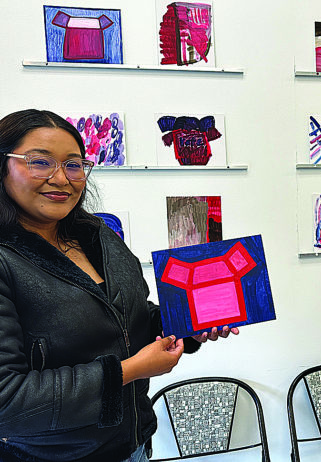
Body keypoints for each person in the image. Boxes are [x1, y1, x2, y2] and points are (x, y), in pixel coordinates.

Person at [0, 109, 238, 462]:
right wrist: (131, 370)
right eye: (40, 162)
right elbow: (7, 401)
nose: (61, 178)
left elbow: (130, 318)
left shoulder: (99, 236)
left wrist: (189, 323)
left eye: (73, 164)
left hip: (135, 445)